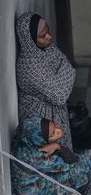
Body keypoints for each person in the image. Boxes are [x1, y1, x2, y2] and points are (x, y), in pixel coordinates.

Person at [16, 12, 76, 151]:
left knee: (63, 153)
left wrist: (62, 76)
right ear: (29, 39)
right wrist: (63, 73)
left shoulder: (45, 48)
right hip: (43, 120)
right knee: (51, 156)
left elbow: (69, 68)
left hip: (55, 112)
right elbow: (60, 96)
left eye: (48, 31)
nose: (49, 37)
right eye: (43, 36)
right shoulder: (29, 65)